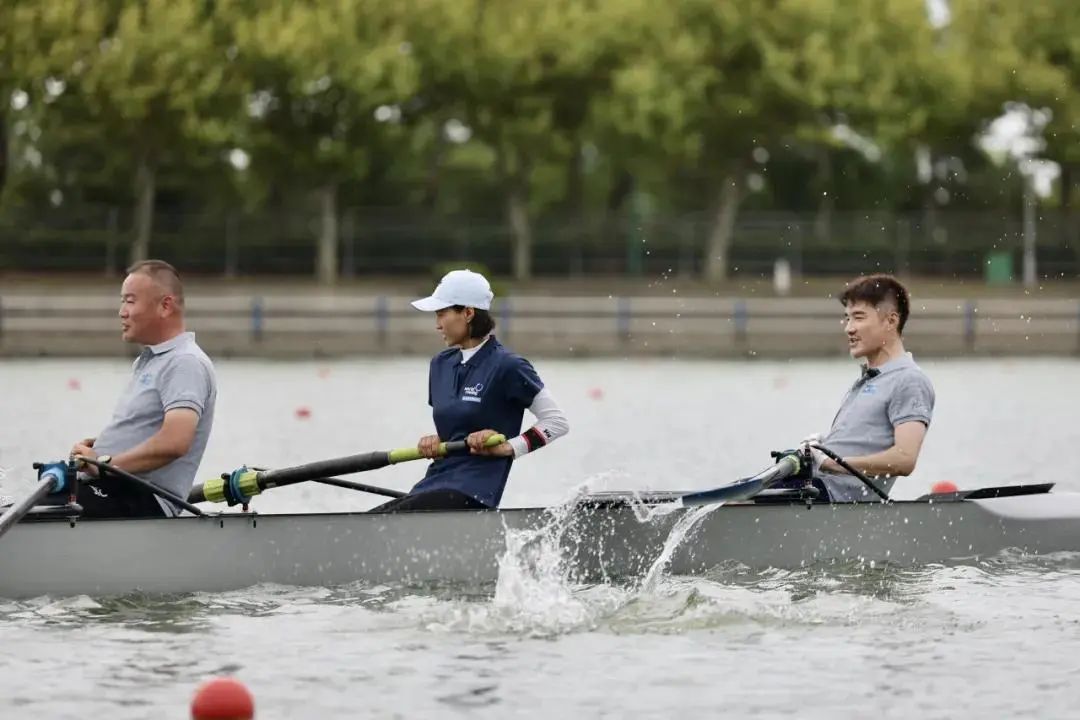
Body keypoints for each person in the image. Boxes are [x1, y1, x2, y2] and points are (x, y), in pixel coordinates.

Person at [370, 269, 569, 512]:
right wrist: (435, 443)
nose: (437, 324)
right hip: (434, 484)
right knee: (368, 521)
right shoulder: (440, 364)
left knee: (384, 521)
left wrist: (509, 448)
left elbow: (557, 422)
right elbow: (455, 429)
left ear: (467, 313)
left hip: (475, 492)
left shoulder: (509, 366)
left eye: (442, 314)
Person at [68, 260, 217, 518]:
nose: (121, 312)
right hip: (116, 490)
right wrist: (102, 449)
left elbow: (175, 443)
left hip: (145, 502)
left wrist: (103, 465)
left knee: (34, 514)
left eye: (130, 301)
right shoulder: (151, 361)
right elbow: (150, 430)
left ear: (165, 306)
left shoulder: (184, 362)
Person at [779, 273, 935, 502]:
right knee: (730, 498)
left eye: (859, 318)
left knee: (736, 505)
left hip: (829, 498)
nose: (849, 329)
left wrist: (833, 463)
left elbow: (905, 459)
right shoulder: (870, 379)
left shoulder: (909, 380)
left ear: (891, 321)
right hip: (813, 487)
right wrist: (822, 448)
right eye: (847, 318)